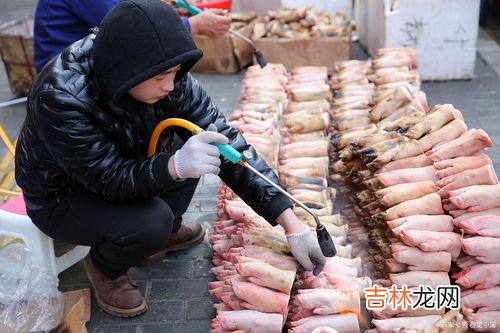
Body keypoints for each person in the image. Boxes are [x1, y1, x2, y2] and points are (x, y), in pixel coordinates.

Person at [16, 0, 326, 318]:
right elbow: (107, 179)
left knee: (195, 141)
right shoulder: (62, 97)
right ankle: (105, 266)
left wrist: (289, 221)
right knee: (151, 220)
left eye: (176, 73)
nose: (170, 85)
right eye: (162, 77)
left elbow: (226, 141)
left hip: (127, 159)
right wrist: (174, 166)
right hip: (65, 195)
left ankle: (163, 236)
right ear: (128, 71)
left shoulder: (166, 73)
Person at [33, 0, 231, 72]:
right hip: (65, 70)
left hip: (92, 54)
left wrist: (172, 9)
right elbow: (131, 27)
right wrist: (193, 24)